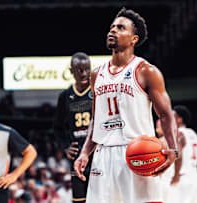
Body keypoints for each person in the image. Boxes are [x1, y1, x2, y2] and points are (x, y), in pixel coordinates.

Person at [74, 7, 178, 203]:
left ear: (134, 39)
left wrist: (173, 149)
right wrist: (85, 152)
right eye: (112, 27)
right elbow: (96, 119)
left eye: (120, 28)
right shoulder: (97, 74)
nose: (112, 30)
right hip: (103, 155)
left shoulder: (147, 71)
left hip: (139, 151)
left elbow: (165, 115)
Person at [53, 52, 93, 203]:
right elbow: (57, 128)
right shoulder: (65, 96)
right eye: (79, 70)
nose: (84, 73)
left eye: (87, 69)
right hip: (77, 156)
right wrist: (65, 147)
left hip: (97, 154)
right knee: (79, 200)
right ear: (71, 71)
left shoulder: (97, 91)